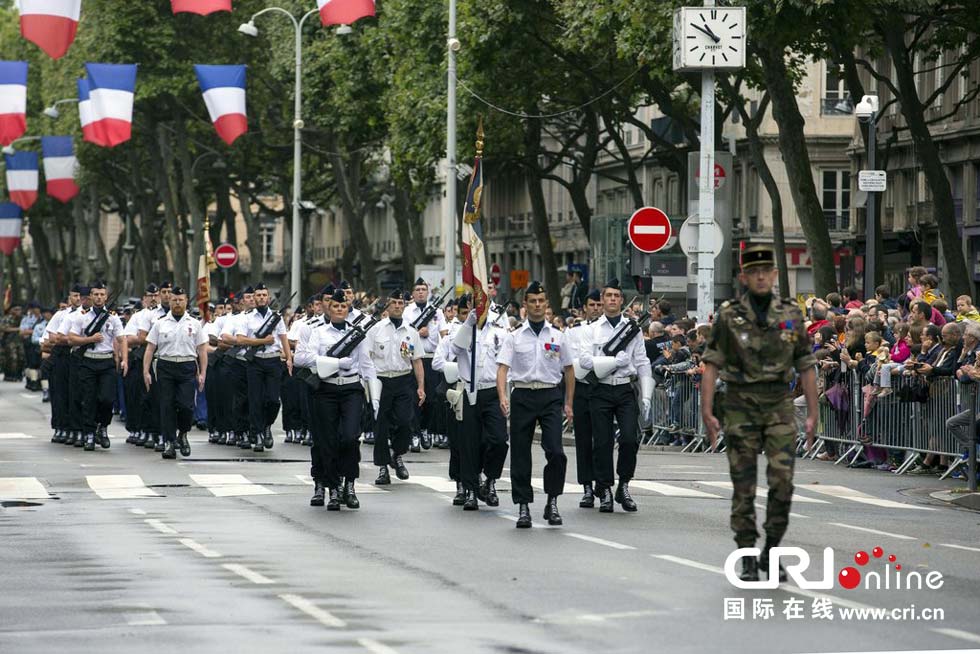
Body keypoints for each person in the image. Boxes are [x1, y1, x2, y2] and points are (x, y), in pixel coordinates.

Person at [700, 244, 818, 582]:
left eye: (767, 271)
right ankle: (749, 554)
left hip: (779, 404)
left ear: (776, 275)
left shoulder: (791, 314)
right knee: (744, 484)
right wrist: (708, 412)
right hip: (740, 403)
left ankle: (772, 549)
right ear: (744, 277)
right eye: (754, 272)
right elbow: (712, 363)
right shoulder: (728, 315)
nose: (761, 276)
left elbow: (806, 365)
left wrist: (813, 414)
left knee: (783, 482)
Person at [496, 281, 574, 528]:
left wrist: (568, 402)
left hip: (550, 395)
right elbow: (502, 369)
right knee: (520, 453)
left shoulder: (558, 336)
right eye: (533, 301)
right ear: (525, 306)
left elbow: (569, 370)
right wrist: (502, 396)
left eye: (541, 301)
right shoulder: (514, 336)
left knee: (556, 452)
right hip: (523, 395)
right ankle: (523, 506)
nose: (538, 305)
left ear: (547, 305)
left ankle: (552, 501)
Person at [297, 288, 377, 510]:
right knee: (328, 440)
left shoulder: (356, 334)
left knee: (351, 437)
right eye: (335, 306)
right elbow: (301, 358)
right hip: (326, 389)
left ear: (347, 308)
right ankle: (333, 489)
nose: (340, 309)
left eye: (343, 306)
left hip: (351, 388)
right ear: (328, 309)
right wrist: (333, 363)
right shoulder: (319, 333)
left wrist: (375, 395)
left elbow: (367, 363)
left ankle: (349, 484)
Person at [578, 278, 653, 512]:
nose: (612, 299)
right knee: (602, 441)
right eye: (608, 295)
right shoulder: (592, 329)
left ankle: (624, 484)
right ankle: (605, 490)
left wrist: (647, 394)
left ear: (621, 300)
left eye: (616, 296)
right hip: (600, 388)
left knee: (630, 438)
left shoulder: (632, 329)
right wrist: (612, 361)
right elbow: (585, 360)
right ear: (602, 299)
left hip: (624, 387)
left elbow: (642, 361)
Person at [451, 298, 510, 510]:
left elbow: (507, 363)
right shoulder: (463, 329)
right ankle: (470, 490)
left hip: (493, 392)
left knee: (499, 440)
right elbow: (455, 350)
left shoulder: (499, 330)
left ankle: (490, 481)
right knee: (469, 444)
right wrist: (469, 323)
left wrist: (505, 394)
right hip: (470, 391)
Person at [366, 289, 426, 485]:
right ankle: (383, 468)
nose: (397, 307)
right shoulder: (376, 330)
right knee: (381, 426)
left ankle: (397, 454)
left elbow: (416, 361)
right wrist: (367, 384)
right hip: (381, 381)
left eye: (400, 303)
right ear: (388, 306)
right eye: (394, 303)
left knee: (405, 421)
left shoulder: (411, 332)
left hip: (402, 380)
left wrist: (421, 387)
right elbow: (367, 358)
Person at [143, 287, 208, 460]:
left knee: (186, 406)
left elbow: (202, 350)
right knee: (167, 406)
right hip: (166, 367)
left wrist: (203, 373)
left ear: (186, 301)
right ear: (169, 301)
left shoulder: (194, 324)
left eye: (180, 300)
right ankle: (169, 442)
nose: (177, 303)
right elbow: (150, 348)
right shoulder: (160, 323)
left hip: (187, 367)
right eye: (174, 300)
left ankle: (183, 434)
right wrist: (146, 371)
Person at [67, 282, 125, 451]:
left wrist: (124, 360)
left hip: (106, 362)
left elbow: (122, 339)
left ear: (106, 297)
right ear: (90, 297)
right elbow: (71, 339)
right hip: (88, 362)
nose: (99, 297)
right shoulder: (82, 317)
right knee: (88, 399)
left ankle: (103, 427)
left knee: (107, 399)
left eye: (102, 294)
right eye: (96, 294)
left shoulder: (113, 318)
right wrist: (89, 340)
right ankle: (89, 434)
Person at [564, 289, 602, 507]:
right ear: (585, 308)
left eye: (599, 304)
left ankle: (602, 483)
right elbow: (570, 361)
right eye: (592, 305)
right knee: (584, 440)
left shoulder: (608, 330)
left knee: (603, 439)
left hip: (602, 388)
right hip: (582, 387)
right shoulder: (574, 331)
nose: (595, 308)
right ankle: (587, 486)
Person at [403, 278, 448, 451]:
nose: (421, 292)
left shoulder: (437, 312)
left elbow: (444, 335)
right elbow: (404, 335)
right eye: (418, 289)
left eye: (423, 289)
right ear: (413, 293)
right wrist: (417, 333)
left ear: (427, 292)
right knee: (414, 398)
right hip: (413, 359)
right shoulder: (407, 311)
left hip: (432, 358)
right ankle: (414, 433)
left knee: (432, 399)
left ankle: (425, 429)